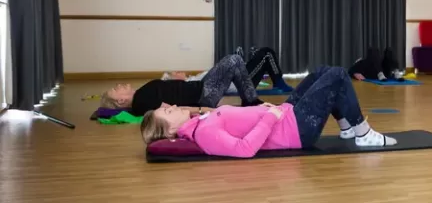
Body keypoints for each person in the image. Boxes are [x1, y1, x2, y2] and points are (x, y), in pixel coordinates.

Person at [140, 66, 398, 158]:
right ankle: (362, 133)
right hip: (295, 130)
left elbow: (236, 120)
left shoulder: (199, 122)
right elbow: (244, 149)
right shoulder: (205, 134)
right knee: (338, 75)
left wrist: (260, 110)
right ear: (171, 130)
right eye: (169, 113)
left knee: (321, 72)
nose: (172, 107)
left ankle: (345, 127)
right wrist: (268, 117)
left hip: (284, 114)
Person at [101, 54, 264, 116]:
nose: (119, 85)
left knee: (234, 62)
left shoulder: (141, 95)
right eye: (116, 89)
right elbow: (172, 110)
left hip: (201, 88)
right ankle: (252, 103)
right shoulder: (141, 101)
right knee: (233, 60)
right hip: (203, 95)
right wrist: (203, 110)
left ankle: (250, 102)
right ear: (121, 101)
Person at [163, 46, 294, 93]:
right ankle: (279, 83)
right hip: (241, 83)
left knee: (262, 53)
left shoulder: (193, 79)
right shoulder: (192, 84)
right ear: (175, 81)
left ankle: (242, 59)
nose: (177, 71)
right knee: (267, 53)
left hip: (236, 76)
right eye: (174, 74)